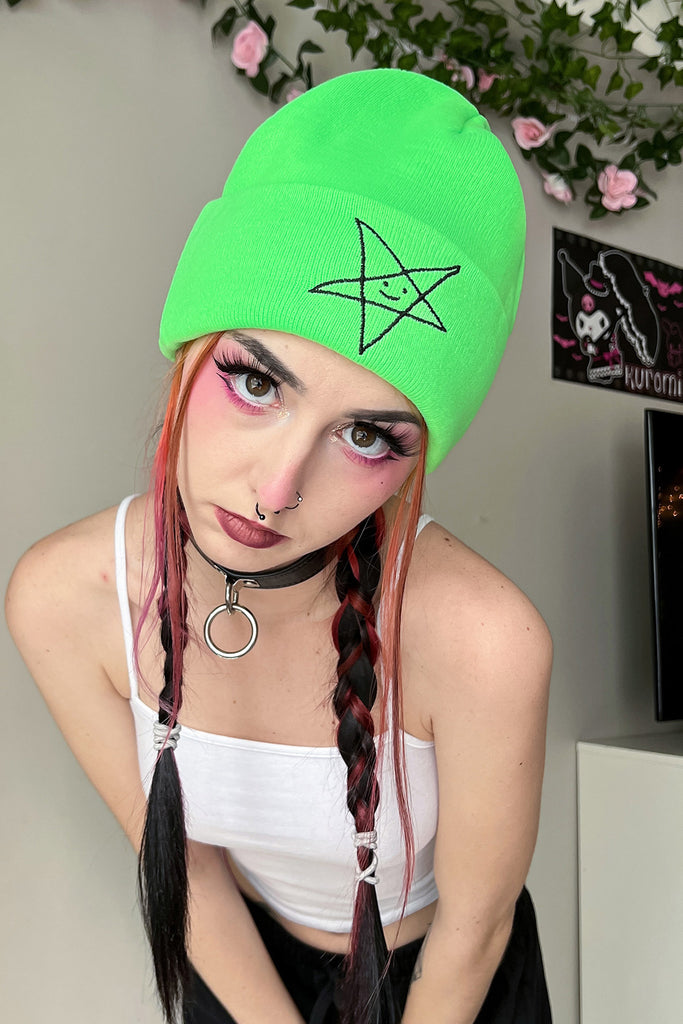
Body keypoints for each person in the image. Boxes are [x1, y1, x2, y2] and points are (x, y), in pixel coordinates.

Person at [5, 69, 552, 1024]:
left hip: (447, 984)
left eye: (368, 435)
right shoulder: (64, 599)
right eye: (256, 382)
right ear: (190, 344)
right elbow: (187, 875)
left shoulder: (484, 640)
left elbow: (474, 930)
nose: (276, 490)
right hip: (239, 968)